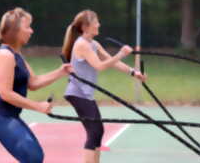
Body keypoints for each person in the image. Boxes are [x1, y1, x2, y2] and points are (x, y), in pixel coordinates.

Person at [0, 7, 72, 163]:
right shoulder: (5, 56)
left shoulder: (16, 55)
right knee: (33, 157)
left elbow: (33, 82)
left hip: (9, 116)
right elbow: (5, 93)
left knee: (35, 157)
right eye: (27, 27)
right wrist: (37, 106)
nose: (31, 31)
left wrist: (60, 72)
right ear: (15, 31)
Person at [62, 10, 146, 163]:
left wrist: (133, 72)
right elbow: (100, 66)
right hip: (77, 93)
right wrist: (121, 53)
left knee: (97, 131)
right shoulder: (82, 45)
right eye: (96, 22)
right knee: (94, 132)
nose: (99, 24)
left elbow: (111, 61)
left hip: (85, 94)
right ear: (86, 26)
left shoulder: (93, 44)